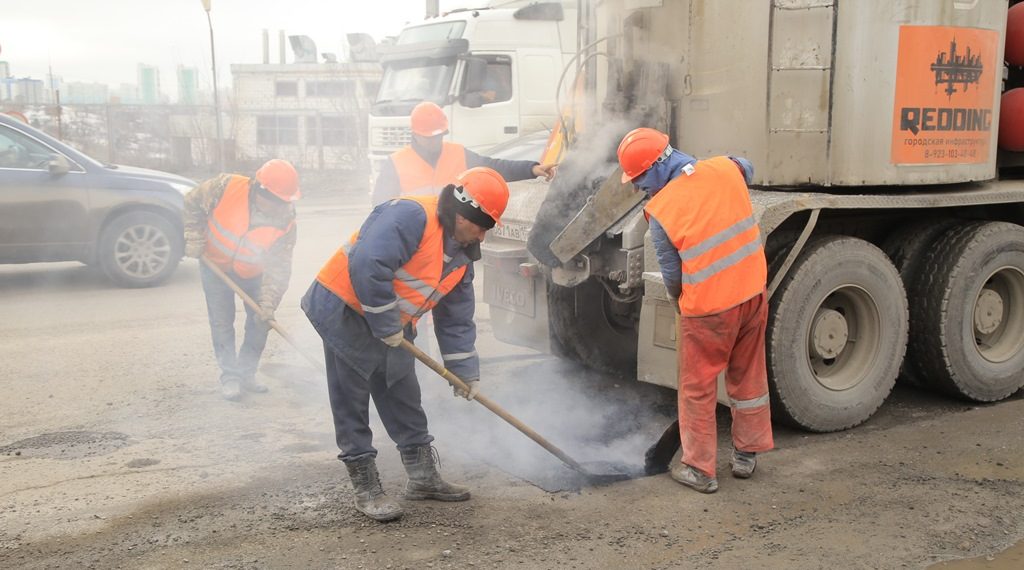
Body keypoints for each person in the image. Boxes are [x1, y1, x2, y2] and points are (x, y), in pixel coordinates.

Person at [302, 167, 509, 522]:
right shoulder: (411, 215)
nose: (484, 236)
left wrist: (463, 372)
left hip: (392, 321)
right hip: (345, 307)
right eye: (483, 225)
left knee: (402, 389)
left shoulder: (463, 253)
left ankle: (422, 477)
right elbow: (369, 264)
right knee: (351, 396)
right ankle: (365, 487)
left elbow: (456, 318)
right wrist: (384, 324)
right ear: (464, 214)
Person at [617, 127, 773, 494]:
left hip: (709, 309)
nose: (638, 186)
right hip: (752, 294)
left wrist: (678, 304)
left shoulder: (663, 210)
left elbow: (672, 274)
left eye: (640, 177)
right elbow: (745, 166)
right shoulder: (724, 168)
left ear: (658, 166)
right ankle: (746, 455)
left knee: (697, 388)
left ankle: (700, 469)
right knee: (748, 376)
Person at [184, 159, 300, 401]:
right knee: (221, 323)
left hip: (253, 273)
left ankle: (246, 374)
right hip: (214, 264)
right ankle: (230, 376)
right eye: (276, 201)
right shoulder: (225, 186)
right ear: (260, 190)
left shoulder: (286, 220)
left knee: (260, 323)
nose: (280, 207)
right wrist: (193, 235)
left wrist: (268, 303)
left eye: (284, 202)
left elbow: (279, 266)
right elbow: (191, 202)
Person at [370, 101, 556, 205]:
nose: (434, 141)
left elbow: (493, 168)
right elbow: (381, 206)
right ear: (415, 134)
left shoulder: (458, 154)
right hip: (416, 240)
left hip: (453, 240)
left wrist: (532, 169)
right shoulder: (397, 163)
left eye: (438, 136)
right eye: (429, 137)